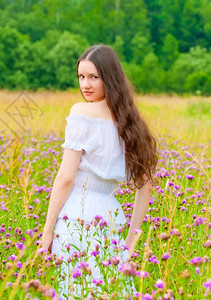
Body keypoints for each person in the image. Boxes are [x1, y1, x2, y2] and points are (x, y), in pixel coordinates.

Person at [40, 45, 158, 297]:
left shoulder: (81, 112)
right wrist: (131, 241)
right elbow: (145, 184)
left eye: (94, 77)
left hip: (77, 216)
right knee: (110, 290)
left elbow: (65, 178)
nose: (86, 84)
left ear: (109, 78)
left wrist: (47, 230)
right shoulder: (131, 121)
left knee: (74, 290)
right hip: (111, 216)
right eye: (81, 77)